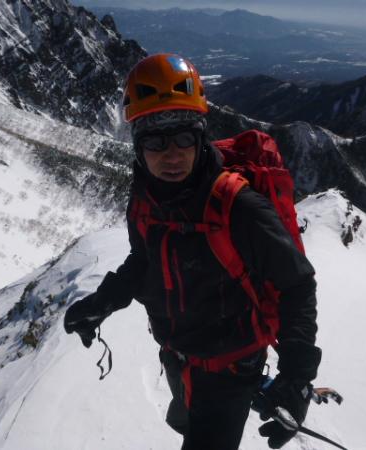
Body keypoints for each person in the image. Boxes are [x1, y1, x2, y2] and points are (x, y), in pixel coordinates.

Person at [64, 53, 321, 450]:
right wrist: (103, 302)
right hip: (178, 358)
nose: (172, 154)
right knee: (185, 423)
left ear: (200, 136)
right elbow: (145, 261)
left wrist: (297, 379)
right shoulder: (146, 200)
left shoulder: (239, 207)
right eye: (155, 141)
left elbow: (297, 285)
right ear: (138, 146)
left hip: (230, 374)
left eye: (184, 137)